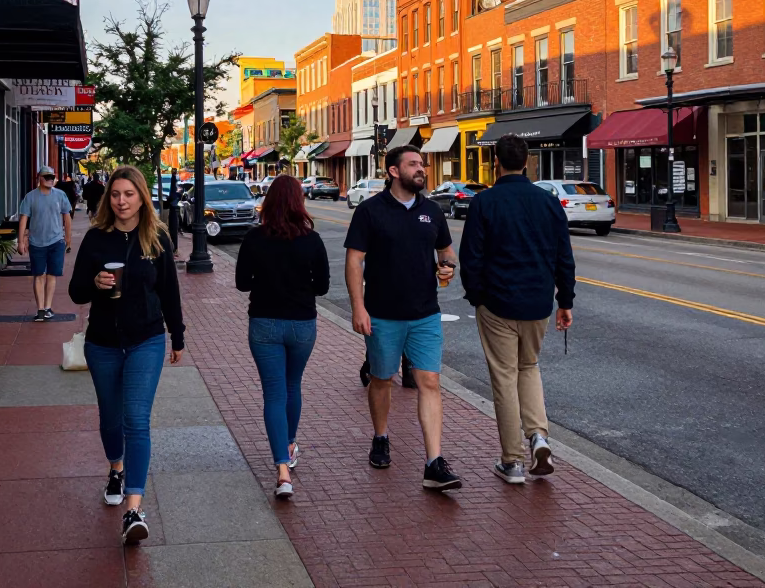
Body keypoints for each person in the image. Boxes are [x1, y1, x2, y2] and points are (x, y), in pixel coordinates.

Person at [68, 165, 185, 545]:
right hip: (101, 342)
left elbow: (169, 291)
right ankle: (115, 468)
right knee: (110, 418)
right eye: (116, 195)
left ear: (141, 197)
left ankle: (134, 508)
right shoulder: (96, 239)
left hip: (146, 340)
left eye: (128, 194)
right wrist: (95, 283)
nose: (121, 201)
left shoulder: (157, 237)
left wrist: (177, 336)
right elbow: (75, 293)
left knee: (136, 419)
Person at [344, 145, 462, 491]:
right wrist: (358, 307)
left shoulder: (432, 210)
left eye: (422, 164)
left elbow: (446, 250)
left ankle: (433, 462)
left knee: (430, 383)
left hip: (426, 314)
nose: (421, 169)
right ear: (394, 171)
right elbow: (354, 262)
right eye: (413, 164)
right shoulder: (370, 211)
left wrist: (448, 267)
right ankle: (381, 436)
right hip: (382, 314)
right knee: (381, 379)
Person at [459, 133, 575, 485]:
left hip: (497, 302)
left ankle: (512, 462)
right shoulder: (548, 202)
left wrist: (477, 295)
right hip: (538, 301)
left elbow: (471, 257)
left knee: (504, 378)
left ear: (496, 162)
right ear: (527, 162)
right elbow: (563, 256)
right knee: (529, 367)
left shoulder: (485, 202)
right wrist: (564, 301)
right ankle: (538, 435)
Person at [235, 175, 330, 499]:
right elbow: (323, 286)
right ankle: (289, 444)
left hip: (264, 323)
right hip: (302, 324)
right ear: (298, 202)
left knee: (274, 393)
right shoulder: (312, 239)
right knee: (292, 385)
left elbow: (242, 283)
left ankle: (282, 471)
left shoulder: (254, 238)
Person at [17, 166, 73, 322]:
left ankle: (48, 307)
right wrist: (21, 241)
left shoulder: (60, 195)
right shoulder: (30, 197)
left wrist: (68, 238)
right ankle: (40, 309)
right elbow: (23, 220)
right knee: (39, 275)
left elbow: (67, 217)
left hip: (56, 241)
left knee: (52, 275)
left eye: (52, 176)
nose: (50, 179)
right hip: (36, 242)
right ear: (39, 178)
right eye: (46, 176)